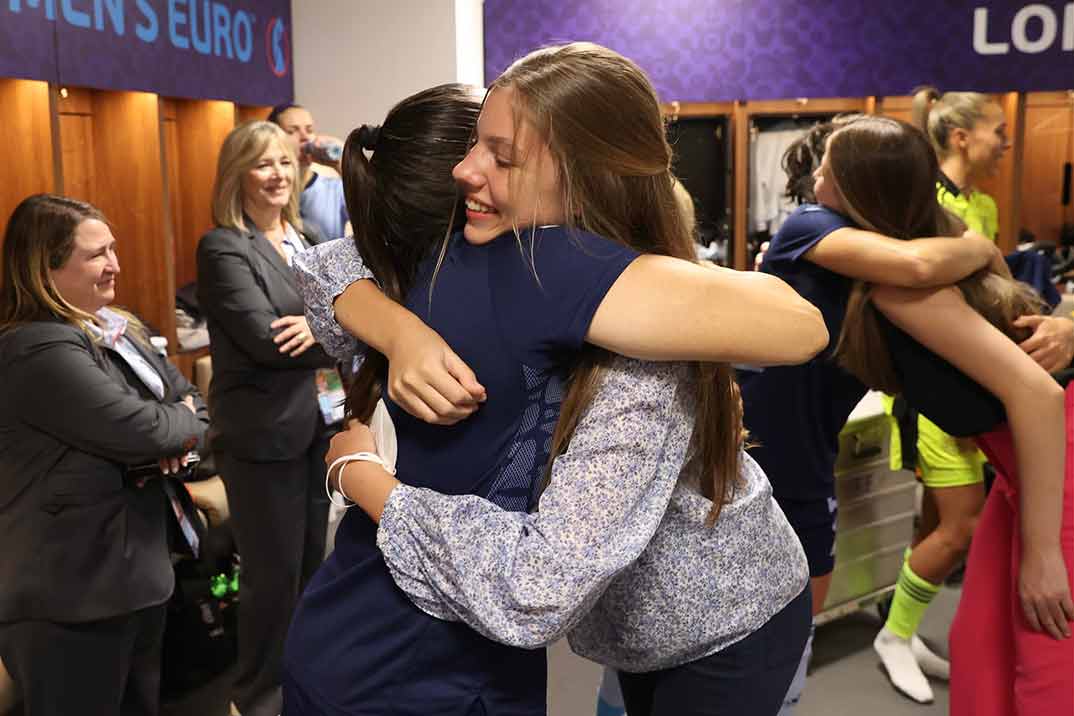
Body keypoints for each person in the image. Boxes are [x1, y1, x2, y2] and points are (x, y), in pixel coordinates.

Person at [284, 46, 828, 716]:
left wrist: (365, 479)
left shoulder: (602, 316)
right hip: (620, 622)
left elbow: (537, 587)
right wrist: (400, 332)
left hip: (720, 621)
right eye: (474, 145)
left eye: (502, 156)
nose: (465, 172)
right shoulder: (489, 258)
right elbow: (330, 262)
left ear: (587, 177)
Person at [826, 115, 1074, 716]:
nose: (814, 182)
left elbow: (1039, 394)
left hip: (1057, 465)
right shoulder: (928, 254)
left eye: (826, 169)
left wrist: (1042, 552)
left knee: (1048, 663)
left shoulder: (904, 285)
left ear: (861, 189)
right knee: (979, 648)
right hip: (1021, 467)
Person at [0, 194, 209, 716]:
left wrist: (175, 429)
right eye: (97, 254)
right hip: (70, 594)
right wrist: (171, 430)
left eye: (112, 249)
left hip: (132, 577)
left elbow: (195, 404)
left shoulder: (118, 325)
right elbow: (148, 430)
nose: (115, 264)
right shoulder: (38, 348)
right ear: (44, 268)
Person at [197, 121, 340, 716]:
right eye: (262, 164)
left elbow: (335, 310)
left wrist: (326, 326)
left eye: (284, 162)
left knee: (311, 570)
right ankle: (255, 696)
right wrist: (344, 331)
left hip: (313, 428)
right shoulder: (224, 247)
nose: (278, 175)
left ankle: (301, 687)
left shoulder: (304, 238)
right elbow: (266, 340)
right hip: (261, 439)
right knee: (271, 579)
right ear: (238, 175)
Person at [269, 103, 350, 240]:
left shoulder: (335, 189)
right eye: (292, 131)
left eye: (309, 130)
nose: (305, 137)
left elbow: (375, 213)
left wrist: (341, 164)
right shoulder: (271, 191)